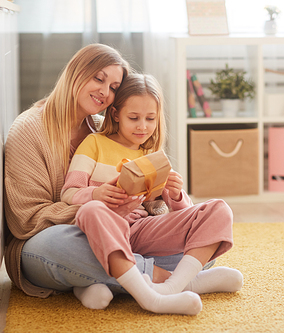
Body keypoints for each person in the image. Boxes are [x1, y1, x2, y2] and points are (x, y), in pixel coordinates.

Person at [4, 44, 186, 312]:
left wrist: (160, 202)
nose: (104, 91)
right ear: (75, 73)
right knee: (53, 246)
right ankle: (170, 280)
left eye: (114, 87)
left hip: (118, 235)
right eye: (98, 78)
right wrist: (99, 207)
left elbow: (145, 202)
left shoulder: (107, 129)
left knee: (191, 239)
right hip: (50, 241)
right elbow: (25, 220)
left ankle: (93, 282)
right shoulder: (28, 130)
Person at [60, 73, 243, 315]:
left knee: (219, 209)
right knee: (92, 210)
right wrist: (97, 193)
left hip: (141, 229)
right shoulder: (94, 143)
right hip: (105, 226)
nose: (143, 126)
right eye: (133, 118)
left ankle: (171, 287)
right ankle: (155, 296)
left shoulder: (152, 152)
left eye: (150, 118)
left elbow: (183, 216)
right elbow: (69, 192)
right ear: (115, 114)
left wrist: (175, 195)